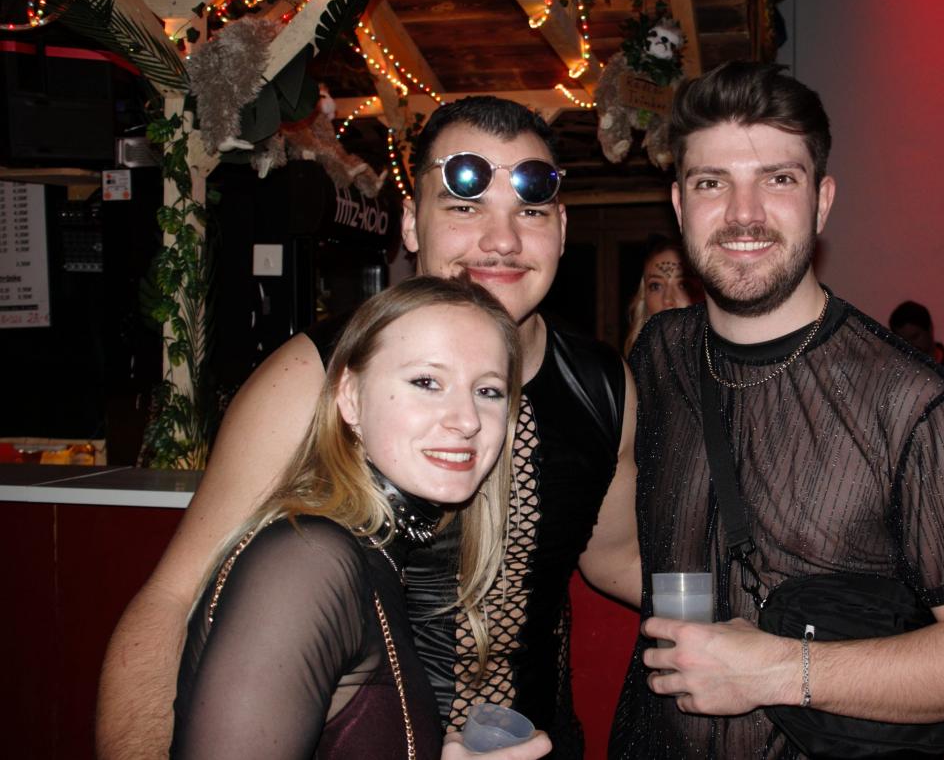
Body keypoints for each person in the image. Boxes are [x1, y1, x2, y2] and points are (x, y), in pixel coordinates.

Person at [97, 97, 641, 759]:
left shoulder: (604, 386)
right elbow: (173, 602)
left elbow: (614, 554)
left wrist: (752, 619)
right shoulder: (316, 377)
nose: (501, 240)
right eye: (464, 206)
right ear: (411, 223)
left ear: (560, 229)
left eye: (530, 212)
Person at [609, 61, 944, 758]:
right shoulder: (659, 355)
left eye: (778, 179)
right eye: (712, 182)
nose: (743, 213)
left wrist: (776, 670)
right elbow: (623, 551)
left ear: (821, 201)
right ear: (680, 204)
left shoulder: (909, 400)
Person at [172, 276, 551, 760]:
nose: (467, 419)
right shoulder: (307, 561)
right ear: (350, 397)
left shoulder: (375, 553)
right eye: (427, 382)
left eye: (489, 391)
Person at [624, 238, 703, 355]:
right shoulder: (629, 363)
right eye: (656, 286)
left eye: (683, 285)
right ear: (644, 298)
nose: (667, 299)